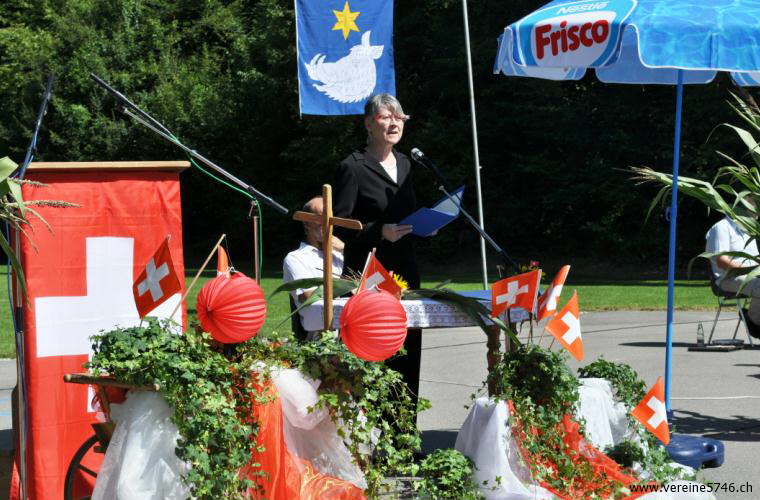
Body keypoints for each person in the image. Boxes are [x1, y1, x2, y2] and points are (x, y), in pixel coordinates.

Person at [333, 93, 423, 406]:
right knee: (373, 356)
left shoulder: (407, 164)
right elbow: (340, 223)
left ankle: (405, 443)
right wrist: (378, 232)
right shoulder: (352, 167)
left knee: (407, 356)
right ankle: (368, 446)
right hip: (369, 274)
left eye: (399, 117)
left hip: (405, 272)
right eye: (386, 117)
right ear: (369, 124)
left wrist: (425, 225)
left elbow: (407, 213)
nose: (394, 122)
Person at [283, 196, 344, 339]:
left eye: (330, 217)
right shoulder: (296, 258)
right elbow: (307, 295)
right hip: (318, 338)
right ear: (306, 223)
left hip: (352, 329)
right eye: (320, 218)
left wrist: (346, 251)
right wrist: (344, 288)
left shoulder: (340, 254)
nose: (327, 223)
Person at [705, 215, 760, 330]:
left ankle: (753, 319)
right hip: (727, 278)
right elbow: (722, 261)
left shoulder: (749, 229)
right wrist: (751, 271)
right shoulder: (721, 227)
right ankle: (754, 323)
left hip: (751, 276)